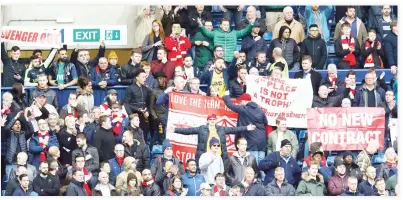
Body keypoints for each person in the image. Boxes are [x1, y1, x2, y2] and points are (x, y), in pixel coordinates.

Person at [173, 114, 255, 168]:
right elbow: (189, 131)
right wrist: (175, 129)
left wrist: (246, 128)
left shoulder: (221, 129)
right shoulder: (202, 129)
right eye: (210, 119)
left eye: (214, 119)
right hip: (206, 157)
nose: (212, 121)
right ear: (208, 121)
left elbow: (234, 129)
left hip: (219, 157)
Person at [223, 93, 266, 164]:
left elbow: (230, 105)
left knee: (252, 166)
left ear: (245, 101)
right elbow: (265, 122)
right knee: (262, 167)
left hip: (251, 141)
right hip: (262, 142)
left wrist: (226, 95)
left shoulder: (244, 109)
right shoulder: (260, 110)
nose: (239, 102)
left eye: (241, 101)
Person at [123, 69, 152, 139]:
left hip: (144, 116)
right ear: (137, 77)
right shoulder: (130, 88)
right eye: (143, 77)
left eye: (145, 77)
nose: (145, 79)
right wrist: (131, 115)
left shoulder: (146, 89)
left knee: (144, 135)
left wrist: (147, 111)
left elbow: (149, 103)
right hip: (134, 115)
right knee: (133, 136)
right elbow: (126, 103)